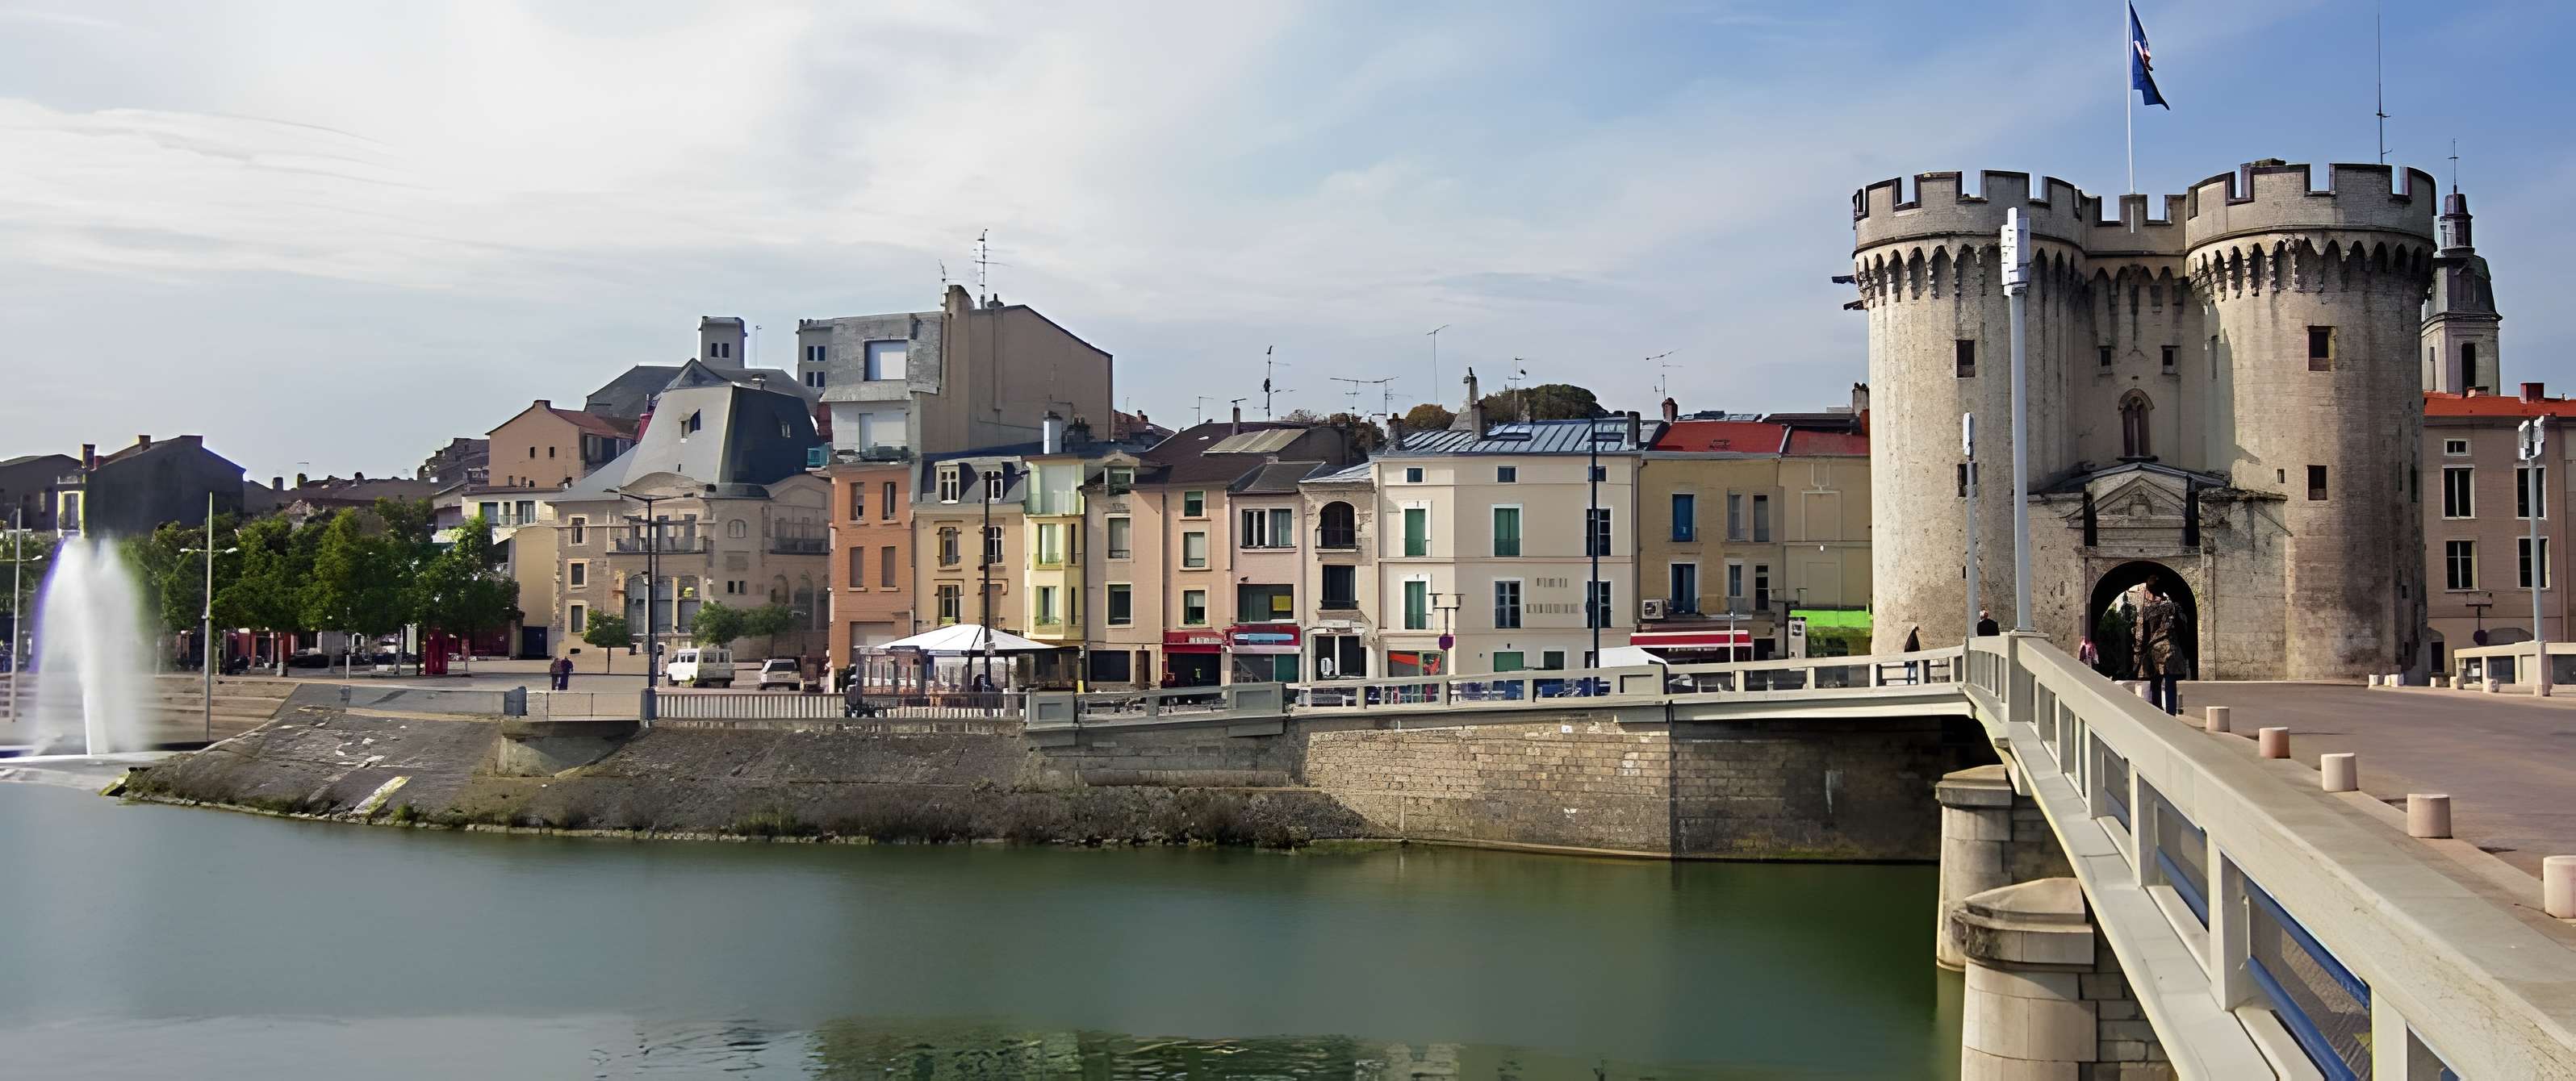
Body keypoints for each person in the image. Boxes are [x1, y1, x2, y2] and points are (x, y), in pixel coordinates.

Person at [2135, 586, 2183, 715]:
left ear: (2149, 592)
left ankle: (2157, 714)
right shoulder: (2174, 606)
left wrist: (2138, 654)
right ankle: (2171, 714)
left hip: (2154, 650)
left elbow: (2141, 635)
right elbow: (2183, 627)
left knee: (2154, 683)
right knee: (2170, 683)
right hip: (2170, 649)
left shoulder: (2147, 610)